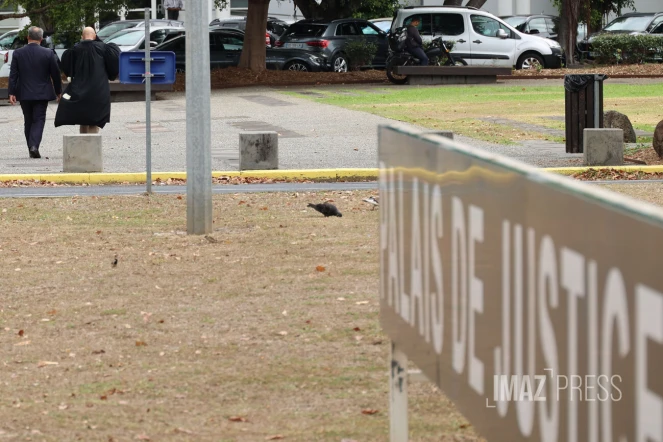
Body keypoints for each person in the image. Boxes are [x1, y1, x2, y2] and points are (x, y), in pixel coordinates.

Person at [8, 27, 62, 159]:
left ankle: (31, 146)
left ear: (27, 37)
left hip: (24, 92)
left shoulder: (18, 53)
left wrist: (11, 92)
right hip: (42, 93)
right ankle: (34, 146)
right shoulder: (48, 53)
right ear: (41, 39)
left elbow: (13, 74)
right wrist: (58, 91)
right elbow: (55, 74)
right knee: (39, 119)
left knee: (28, 120)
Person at [54, 27, 120, 134]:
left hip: (79, 89)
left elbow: (67, 69)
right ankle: (92, 147)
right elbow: (114, 65)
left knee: (82, 118)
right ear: (94, 36)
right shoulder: (104, 49)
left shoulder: (74, 50)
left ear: (82, 37)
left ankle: (83, 144)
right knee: (95, 118)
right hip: (98, 89)